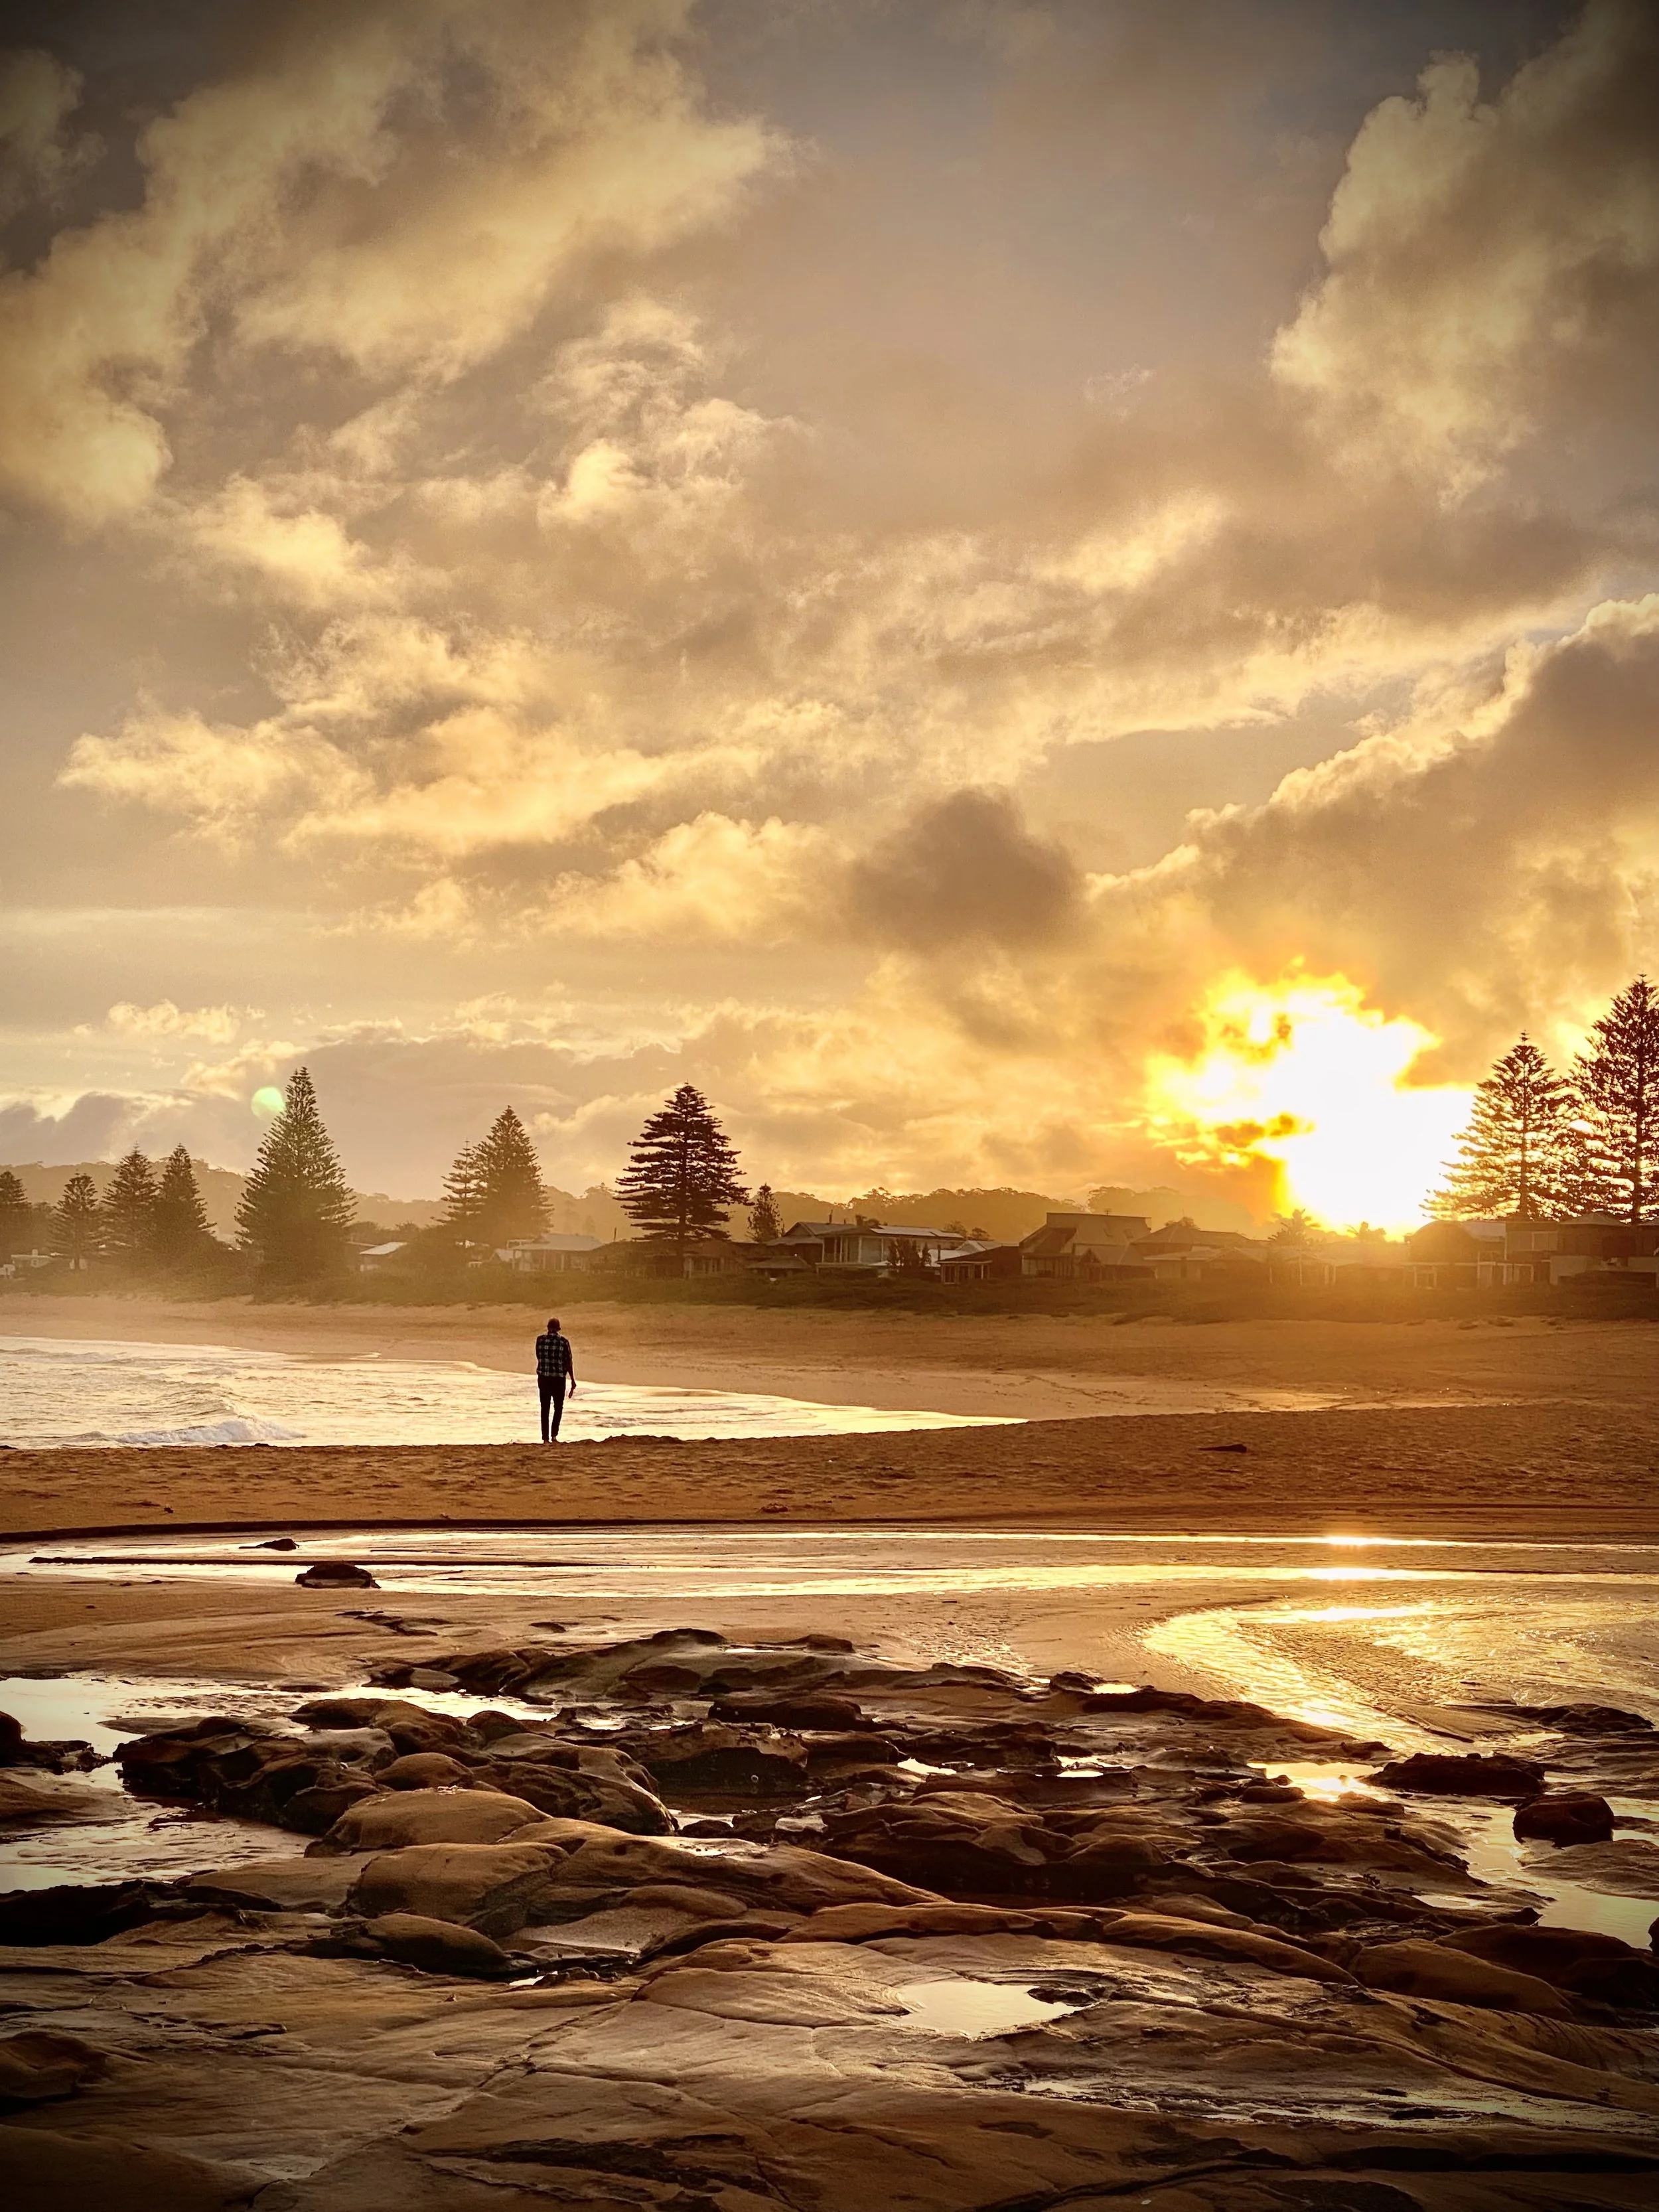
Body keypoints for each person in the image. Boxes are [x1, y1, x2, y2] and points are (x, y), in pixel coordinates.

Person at [534, 1315, 576, 1441]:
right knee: (558, 1407)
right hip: (558, 1379)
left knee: (544, 1408)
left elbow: (539, 1357)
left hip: (544, 1379)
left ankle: (545, 1438)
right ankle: (554, 1435)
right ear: (559, 1329)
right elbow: (569, 1363)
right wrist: (573, 1380)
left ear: (548, 1328)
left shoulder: (540, 1340)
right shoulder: (564, 1342)